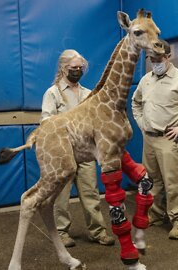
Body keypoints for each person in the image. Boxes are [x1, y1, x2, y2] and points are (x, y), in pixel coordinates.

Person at [131, 40, 178, 240]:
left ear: (168, 56)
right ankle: (156, 214)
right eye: (151, 59)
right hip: (149, 138)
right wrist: (141, 123)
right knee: (151, 180)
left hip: (168, 139)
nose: (155, 62)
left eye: (158, 59)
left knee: (173, 182)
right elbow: (136, 103)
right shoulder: (145, 79)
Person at [41, 49, 115, 247]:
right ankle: (61, 233)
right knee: (61, 197)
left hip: (85, 152)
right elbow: (46, 122)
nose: (77, 71)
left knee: (91, 193)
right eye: (73, 68)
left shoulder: (88, 93)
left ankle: (97, 231)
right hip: (63, 155)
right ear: (63, 68)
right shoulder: (52, 93)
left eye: (80, 68)